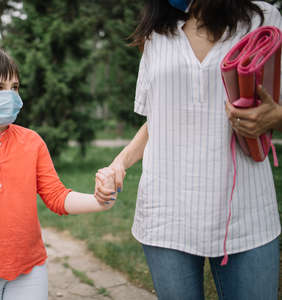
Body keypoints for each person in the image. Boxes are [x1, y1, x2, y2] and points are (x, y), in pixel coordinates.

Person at [96, 1, 281, 299]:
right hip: (166, 215)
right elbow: (157, 119)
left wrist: (276, 117)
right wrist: (120, 163)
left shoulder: (263, 19)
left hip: (247, 215)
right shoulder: (156, 35)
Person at [0, 48, 116, 300]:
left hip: (30, 271)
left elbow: (57, 197)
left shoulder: (32, 142)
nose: (10, 95)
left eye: (14, 87)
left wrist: (99, 200)